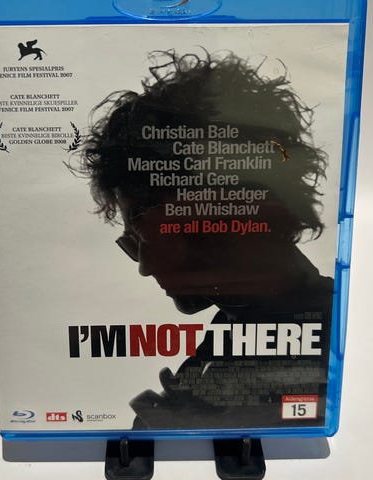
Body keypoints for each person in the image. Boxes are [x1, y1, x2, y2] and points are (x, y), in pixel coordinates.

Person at [73, 50, 334, 429]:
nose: (146, 267)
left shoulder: (332, 344)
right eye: (133, 243)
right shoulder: (239, 328)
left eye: (149, 235)